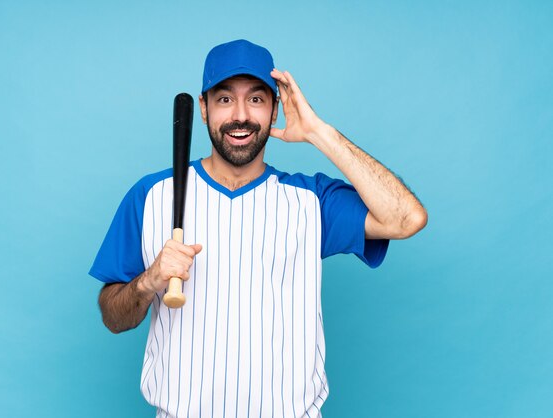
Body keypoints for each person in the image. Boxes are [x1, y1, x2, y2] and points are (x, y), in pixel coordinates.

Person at [89, 39, 427, 417]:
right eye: (224, 99)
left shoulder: (311, 200)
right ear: (202, 109)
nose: (240, 116)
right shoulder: (151, 195)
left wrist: (318, 132)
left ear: (275, 109)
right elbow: (113, 317)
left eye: (256, 99)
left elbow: (406, 218)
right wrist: (149, 280)